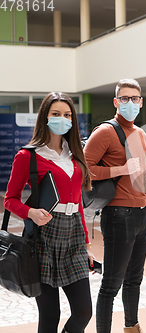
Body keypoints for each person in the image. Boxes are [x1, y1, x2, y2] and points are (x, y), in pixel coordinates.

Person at [4, 92, 93, 333]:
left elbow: (78, 205)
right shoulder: (28, 156)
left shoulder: (75, 154)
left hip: (73, 235)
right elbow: (10, 200)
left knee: (84, 311)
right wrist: (30, 213)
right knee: (50, 314)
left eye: (67, 115)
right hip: (43, 238)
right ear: (45, 117)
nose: (62, 119)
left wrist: (85, 243)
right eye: (56, 114)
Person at [84, 79, 146, 333]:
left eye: (135, 98)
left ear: (141, 102)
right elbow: (85, 170)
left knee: (134, 280)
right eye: (124, 98)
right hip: (118, 215)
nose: (130, 103)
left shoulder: (141, 133)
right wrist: (121, 169)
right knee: (111, 284)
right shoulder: (105, 132)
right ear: (116, 102)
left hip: (141, 216)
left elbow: (143, 174)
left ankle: (131, 328)